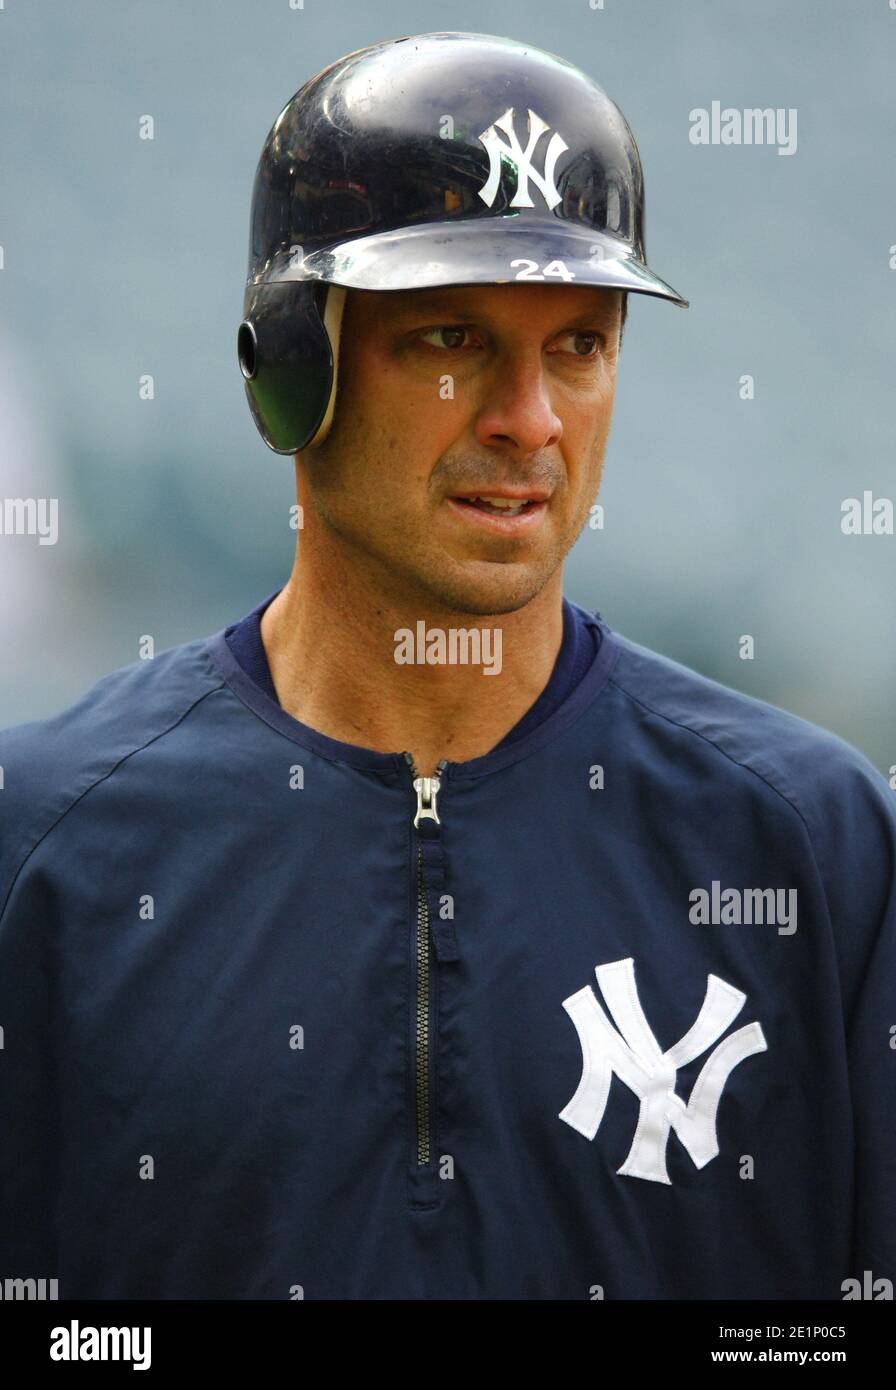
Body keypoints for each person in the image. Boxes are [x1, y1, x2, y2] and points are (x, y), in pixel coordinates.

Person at [1, 31, 893, 1302]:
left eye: (578, 346)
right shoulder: (42, 842)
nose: (527, 418)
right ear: (291, 370)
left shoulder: (814, 842)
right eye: (449, 340)